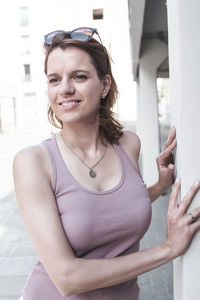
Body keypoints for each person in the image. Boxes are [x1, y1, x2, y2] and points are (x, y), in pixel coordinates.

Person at [13, 27, 200, 300]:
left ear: (104, 85)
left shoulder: (129, 144)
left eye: (79, 76)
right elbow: (67, 278)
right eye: (54, 79)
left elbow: (108, 210)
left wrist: (159, 186)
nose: (65, 89)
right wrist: (168, 248)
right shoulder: (33, 162)